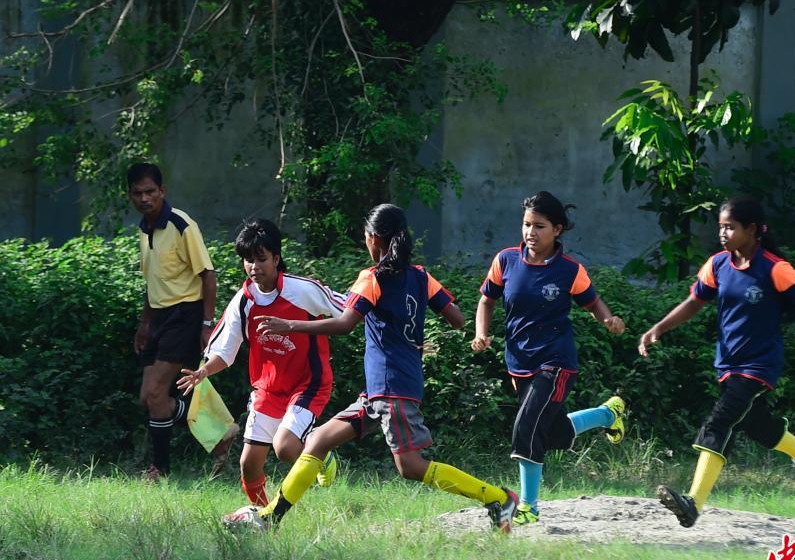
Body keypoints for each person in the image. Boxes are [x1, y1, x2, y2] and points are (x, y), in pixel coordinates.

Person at [221, 204, 519, 532]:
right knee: (318, 441)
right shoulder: (421, 276)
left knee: (410, 466)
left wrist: (291, 326)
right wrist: (412, 336)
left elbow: (346, 324)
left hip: (391, 390)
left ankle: (498, 498)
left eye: (365, 237)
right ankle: (271, 518)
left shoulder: (371, 278)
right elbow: (457, 318)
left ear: (373, 239)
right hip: (381, 389)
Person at [639, 196, 795, 528]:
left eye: (730, 227)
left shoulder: (775, 269)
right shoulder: (717, 265)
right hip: (729, 364)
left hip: (760, 366)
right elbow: (694, 302)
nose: (723, 233)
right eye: (720, 227)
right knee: (758, 427)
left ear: (752, 230)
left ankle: (693, 503)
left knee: (719, 422)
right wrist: (658, 328)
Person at [472, 190, 627, 525]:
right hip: (519, 363)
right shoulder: (506, 261)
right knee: (554, 434)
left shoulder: (570, 270)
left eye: (539, 226)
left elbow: (592, 302)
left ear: (557, 229)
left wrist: (608, 319)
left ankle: (529, 507)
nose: (530, 232)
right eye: (527, 224)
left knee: (526, 428)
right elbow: (486, 300)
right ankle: (607, 414)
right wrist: (480, 333)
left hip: (556, 363)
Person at [177, 219, 342, 506]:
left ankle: (321, 452)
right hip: (268, 391)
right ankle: (264, 518)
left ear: (276, 258)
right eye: (248, 260)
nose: (254, 266)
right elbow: (226, 351)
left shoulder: (302, 291)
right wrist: (203, 371)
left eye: (261, 259)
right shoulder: (244, 301)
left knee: (286, 448)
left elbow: (348, 310)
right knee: (248, 465)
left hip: (308, 384)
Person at [130, 162, 227, 480]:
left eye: (150, 192)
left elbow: (208, 276)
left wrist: (207, 324)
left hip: (185, 315)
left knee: (157, 394)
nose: (144, 198)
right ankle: (220, 433)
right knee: (149, 398)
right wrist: (144, 325)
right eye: (137, 193)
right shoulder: (145, 231)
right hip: (158, 318)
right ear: (130, 196)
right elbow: (152, 282)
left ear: (162, 192)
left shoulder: (182, 224)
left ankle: (160, 469)